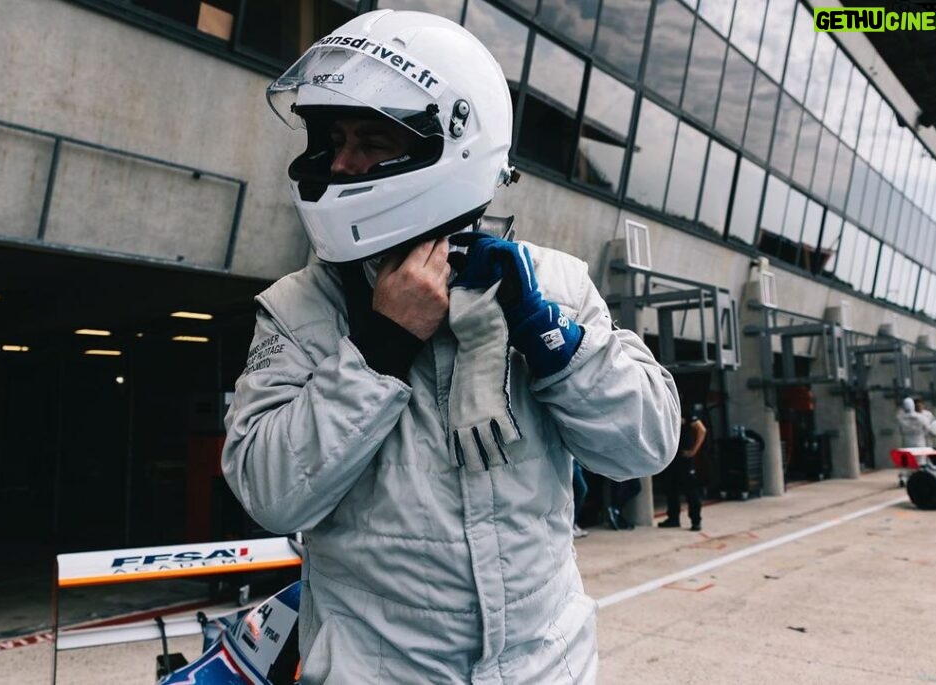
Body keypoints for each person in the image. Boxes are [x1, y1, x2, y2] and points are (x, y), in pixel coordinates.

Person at [221, 10, 680, 683]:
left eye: (371, 140)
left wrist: (552, 340)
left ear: (454, 146)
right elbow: (270, 494)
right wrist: (378, 348)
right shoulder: (299, 307)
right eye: (334, 139)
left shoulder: (553, 282)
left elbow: (645, 444)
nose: (343, 162)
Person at [658, 408, 707, 532]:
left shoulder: (687, 411)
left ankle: (696, 520)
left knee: (690, 489)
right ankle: (673, 518)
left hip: (684, 456)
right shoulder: (665, 411)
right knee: (670, 488)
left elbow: (701, 430)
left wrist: (693, 451)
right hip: (671, 456)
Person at [572, 459, 589, 539]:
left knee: (582, 489)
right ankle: (572, 524)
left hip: (575, 460)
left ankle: (573, 523)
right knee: (581, 489)